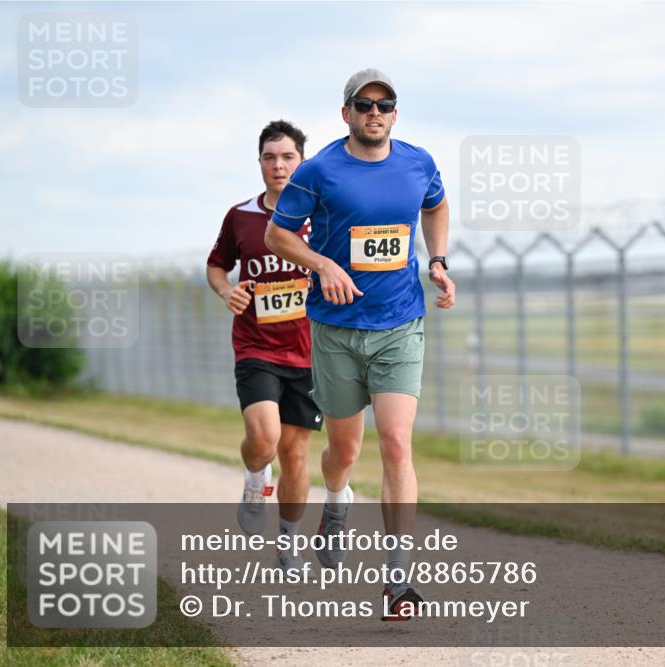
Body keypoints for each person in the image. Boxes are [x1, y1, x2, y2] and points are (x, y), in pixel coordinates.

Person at [264, 68, 454, 619]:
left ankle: (398, 580)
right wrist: (322, 264)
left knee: (396, 443)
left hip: (399, 324)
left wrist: (437, 261)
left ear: (395, 113)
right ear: (345, 112)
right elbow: (278, 232)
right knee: (344, 451)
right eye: (363, 104)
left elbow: (436, 205)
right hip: (336, 331)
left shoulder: (418, 162)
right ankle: (337, 501)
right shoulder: (320, 168)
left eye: (385, 104)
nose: (375, 112)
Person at [206, 120, 322, 572]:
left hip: (310, 352)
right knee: (265, 438)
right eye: (270, 157)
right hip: (255, 345)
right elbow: (217, 266)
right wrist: (225, 291)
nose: (278, 165)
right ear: (259, 163)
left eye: (287, 157)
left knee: (295, 453)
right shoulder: (241, 216)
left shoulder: (322, 217)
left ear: (302, 162)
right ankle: (256, 478)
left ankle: (289, 545)